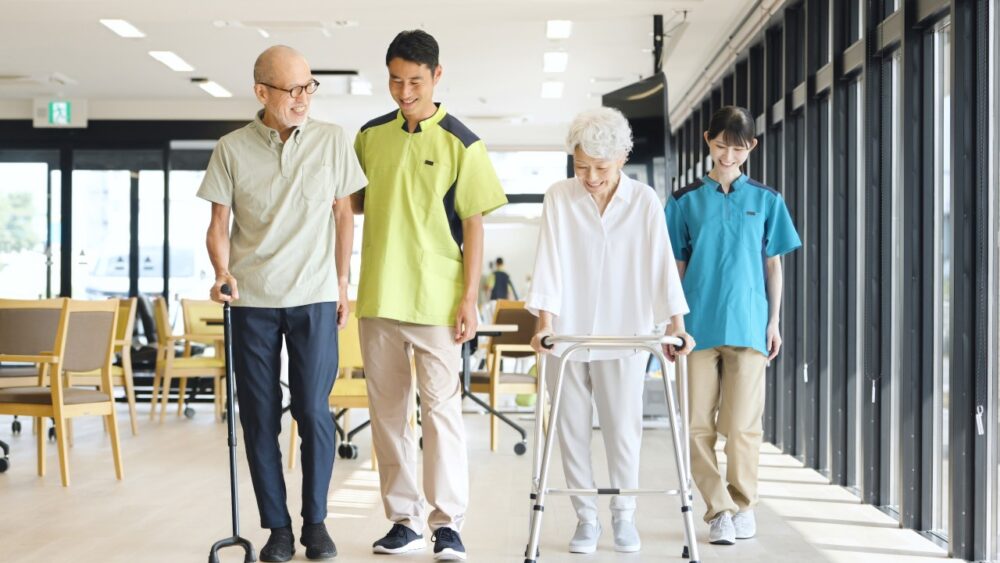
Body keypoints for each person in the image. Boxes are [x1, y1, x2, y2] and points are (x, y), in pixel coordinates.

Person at [199, 45, 367, 562]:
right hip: (253, 300)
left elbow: (344, 215)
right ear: (262, 92)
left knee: (315, 411)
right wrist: (222, 272)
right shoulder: (230, 148)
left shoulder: (334, 141)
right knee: (259, 415)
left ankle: (315, 522)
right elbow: (219, 224)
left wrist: (342, 282)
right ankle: (277, 528)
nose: (302, 99)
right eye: (292, 90)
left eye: (308, 87)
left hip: (315, 295)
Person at [351, 29, 508, 561]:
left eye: (414, 81)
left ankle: (447, 523)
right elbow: (347, 204)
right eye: (395, 81)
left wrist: (469, 300)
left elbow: (475, 224)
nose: (403, 91)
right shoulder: (370, 136)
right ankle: (403, 520)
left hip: (437, 301)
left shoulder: (462, 142)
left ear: (437, 77)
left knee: (440, 414)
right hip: (378, 297)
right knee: (388, 415)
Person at [527, 107, 693, 555]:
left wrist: (677, 327)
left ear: (621, 158)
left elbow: (662, 264)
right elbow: (549, 261)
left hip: (627, 332)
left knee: (623, 431)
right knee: (571, 430)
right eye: (582, 167)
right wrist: (543, 324)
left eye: (600, 168)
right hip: (568, 333)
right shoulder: (560, 197)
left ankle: (623, 515)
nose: (591, 177)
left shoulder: (643, 201)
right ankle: (585, 519)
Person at [665, 105, 801, 546]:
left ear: (751, 148)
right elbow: (675, 266)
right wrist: (674, 323)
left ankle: (743, 505)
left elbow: (774, 267)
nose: (728, 155)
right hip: (696, 328)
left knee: (743, 425)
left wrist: (774, 321)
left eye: (737, 148)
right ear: (708, 140)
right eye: (721, 145)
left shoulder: (767, 200)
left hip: (748, 324)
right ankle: (718, 509)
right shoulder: (684, 199)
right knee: (696, 426)